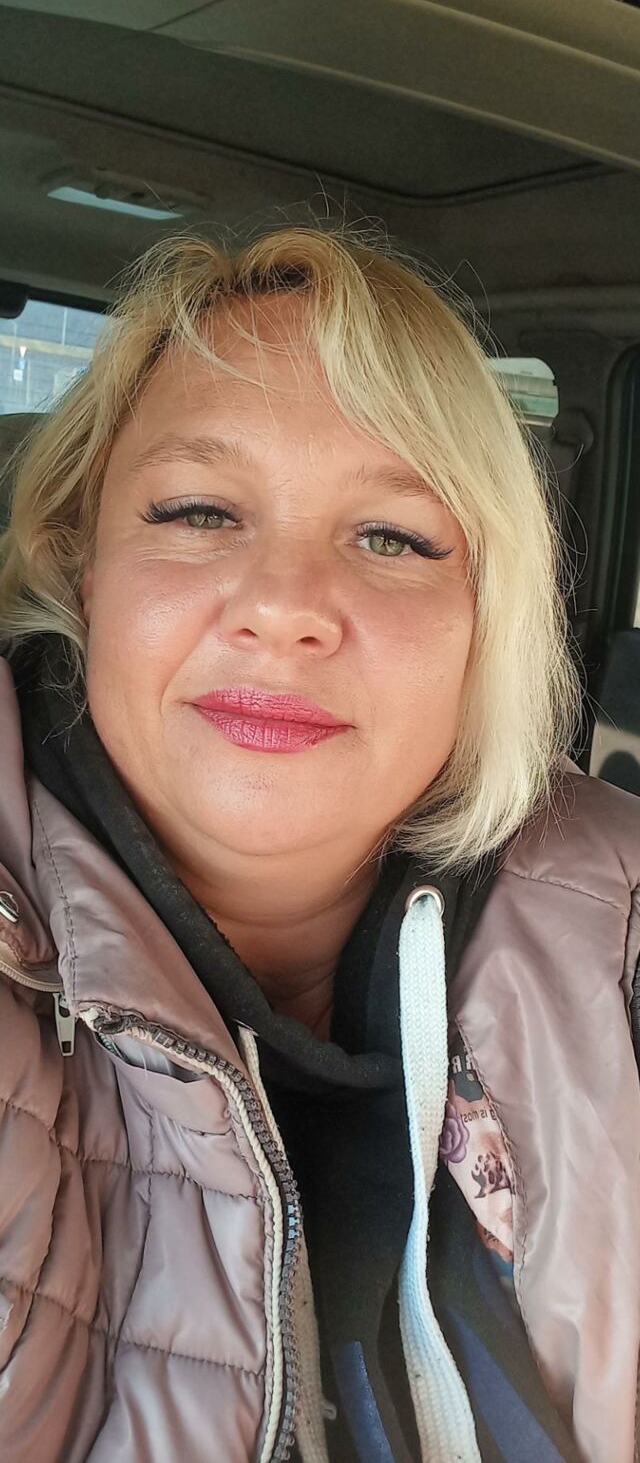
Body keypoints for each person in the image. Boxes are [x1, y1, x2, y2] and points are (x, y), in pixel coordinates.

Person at [0, 227, 637, 1463]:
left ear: (486, 615)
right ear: (80, 568)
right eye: (200, 511)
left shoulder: (622, 924)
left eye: (393, 536)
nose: (284, 605)